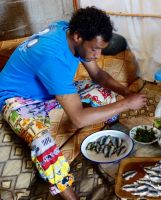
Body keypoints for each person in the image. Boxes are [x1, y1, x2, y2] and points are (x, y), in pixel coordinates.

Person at [0, 7, 147, 200]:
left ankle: (108, 129)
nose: (97, 55)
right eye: (94, 49)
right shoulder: (53, 58)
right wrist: (126, 104)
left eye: (101, 49)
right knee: (43, 145)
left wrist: (126, 92)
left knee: (104, 93)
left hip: (47, 89)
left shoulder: (68, 30)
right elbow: (77, 119)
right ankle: (70, 196)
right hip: (18, 98)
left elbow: (98, 74)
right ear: (78, 37)